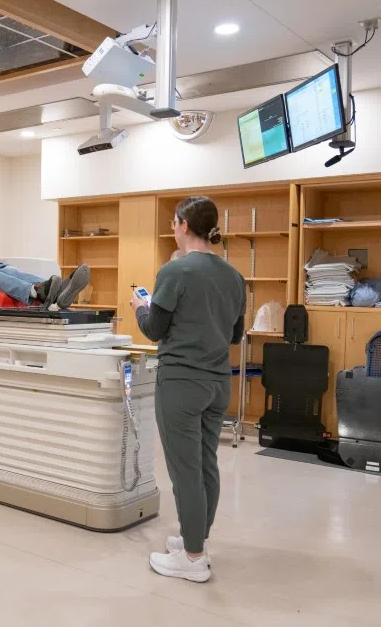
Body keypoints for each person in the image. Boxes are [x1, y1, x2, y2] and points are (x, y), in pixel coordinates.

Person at [129, 196, 245, 583]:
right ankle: (196, 540)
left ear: (182, 225)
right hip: (218, 383)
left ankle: (193, 559)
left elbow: (154, 330)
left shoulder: (175, 272)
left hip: (181, 382)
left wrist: (139, 306)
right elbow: (234, 334)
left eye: (173, 223)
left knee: (185, 472)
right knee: (206, 463)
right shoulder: (233, 277)